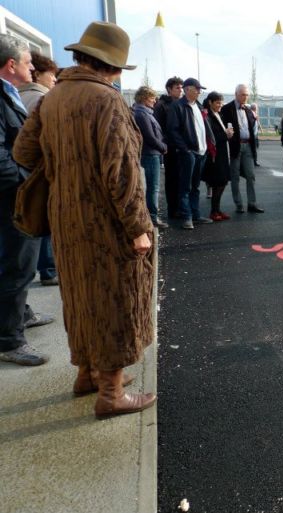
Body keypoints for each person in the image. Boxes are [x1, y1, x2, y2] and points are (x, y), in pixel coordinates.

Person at [14, 21, 157, 417]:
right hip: (105, 221)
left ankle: (87, 374)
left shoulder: (53, 96)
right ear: (112, 66)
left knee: (79, 297)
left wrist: (64, 166)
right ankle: (110, 393)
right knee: (114, 299)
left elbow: (23, 153)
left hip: (65, 217)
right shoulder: (106, 100)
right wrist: (138, 227)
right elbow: (122, 174)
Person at [0, 35, 54, 367]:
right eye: (27, 61)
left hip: (14, 196)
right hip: (11, 200)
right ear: (11, 65)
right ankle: (10, 340)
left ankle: (22, 314)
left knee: (22, 265)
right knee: (17, 266)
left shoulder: (10, 94)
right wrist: (29, 183)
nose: (32, 66)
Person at [18, 51, 59, 286]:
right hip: (39, 169)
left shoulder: (17, 96)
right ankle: (50, 268)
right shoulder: (41, 99)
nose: (54, 79)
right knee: (44, 216)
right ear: (38, 75)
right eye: (50, 74)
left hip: (23, 170)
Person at [167, 78, 214, 229]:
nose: (200, 92)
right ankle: (187, 217)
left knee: (195, 186)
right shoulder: (177, 106)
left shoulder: (199, 106)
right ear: (187, 89)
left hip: (201, 152)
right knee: (185, 186)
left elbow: (204, 128)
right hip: (188, 153)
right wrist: (185, 149)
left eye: (200, 89)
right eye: (197, 89)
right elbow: (172, 130)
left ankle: (196, 215)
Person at [221, 85, 263, 214]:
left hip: (248, 146)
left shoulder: (249, 110)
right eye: (242, 94)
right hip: (235, 146)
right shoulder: (227, 109)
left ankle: (252, 203)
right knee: (235, 176)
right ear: (236, 94)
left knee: (251, 175)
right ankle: (238, 204)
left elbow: (251, 128)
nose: (245, 97)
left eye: (247, 95)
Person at [132, 86, 168, 228]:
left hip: (151, 153)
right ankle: (152, 218)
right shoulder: (142, 114)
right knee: (153, 187)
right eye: (153, 98)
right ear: (145, 98)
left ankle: (151, 216)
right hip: (150, 154)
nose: (155, 101)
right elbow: (149, 136)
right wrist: (163, 147)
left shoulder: (144, 113)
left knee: (151, 187)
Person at [153, 76, 183, 218]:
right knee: (172, 179)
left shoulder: (181, 103)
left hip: (182, 147)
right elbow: (158, 128)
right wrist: (166, 144)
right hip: (170, 148)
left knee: (181, 179)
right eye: (177, 88)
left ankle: (180, 206)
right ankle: (173, 209)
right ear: (169, 89)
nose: (181, 90)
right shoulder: (162, 105)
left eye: (181, 87)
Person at [201, 91, 233, 221]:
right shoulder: (207, 116)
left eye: (221, 102)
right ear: (210, 102)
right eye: (218, 102)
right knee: (218, 183)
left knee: (222, 182)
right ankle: (214, 211)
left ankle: (217, 209)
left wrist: (228, 134)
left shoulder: (218, 114)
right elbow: (210, 138)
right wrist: (226, 135)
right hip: (214, 155)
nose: (220, 105)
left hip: (223, 153)